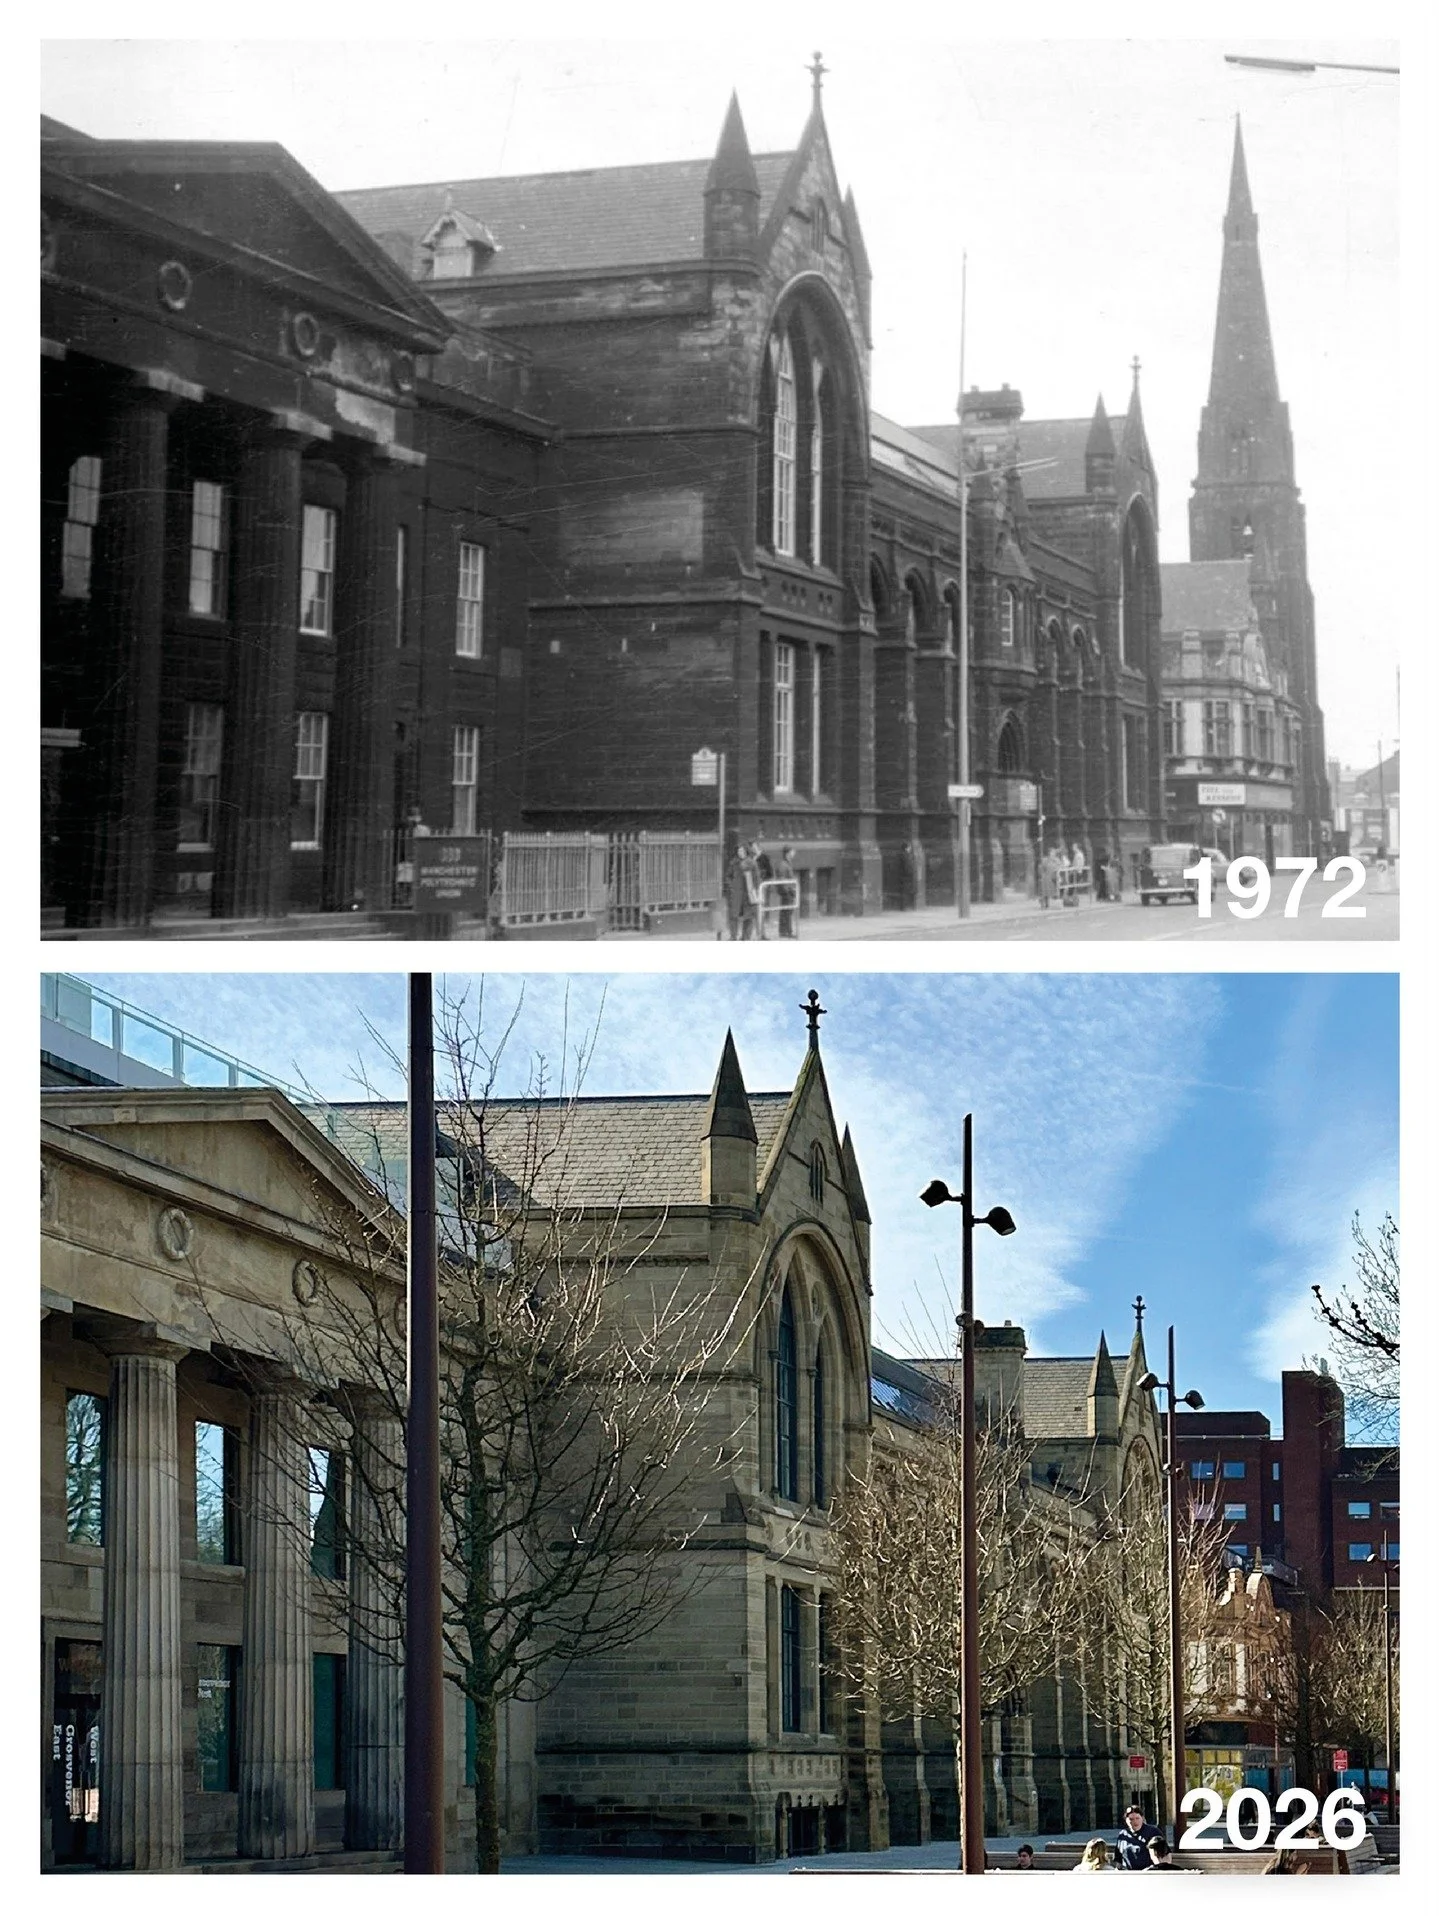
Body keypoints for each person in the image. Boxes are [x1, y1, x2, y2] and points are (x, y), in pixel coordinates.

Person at [1114, 1804, 1159, 1869]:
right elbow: (1118, 1859)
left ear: (1142, 1818)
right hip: (1128, 1872)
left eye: (1137, 1818)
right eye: (1131, 1819)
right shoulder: (1122, 1835)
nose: (1135, 1821)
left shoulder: (1153, 1832)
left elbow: (1165, 1855)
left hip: (1148, 1872)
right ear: (1126, 1820)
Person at [777, 847, 798, 938]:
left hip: (788, 891)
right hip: (787, 892)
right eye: (792, 852)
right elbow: (782, 878)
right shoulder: (784, 864)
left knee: (786, 911)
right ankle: (787, 932)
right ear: (787, 853)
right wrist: (788, 891)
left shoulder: (787, 863)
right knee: (787, 912)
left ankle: (784, 931)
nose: (794, 853)